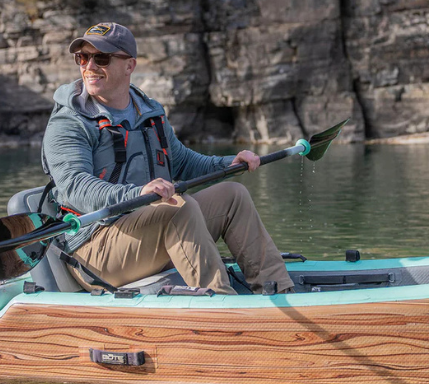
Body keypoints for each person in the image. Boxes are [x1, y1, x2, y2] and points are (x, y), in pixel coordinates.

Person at [41, 21, 294, 295]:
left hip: (145, 227)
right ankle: (220, 305)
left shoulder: (148, 111)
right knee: (177, 209)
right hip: (92, 250)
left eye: (100, 58)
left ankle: (279, 292)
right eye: (82, 57)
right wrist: (138, 193)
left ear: (130, 66)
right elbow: (76, 188)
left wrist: (228, 163)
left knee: (233, 195)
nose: (89, 66)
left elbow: (182, 162)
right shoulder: (68, 122)